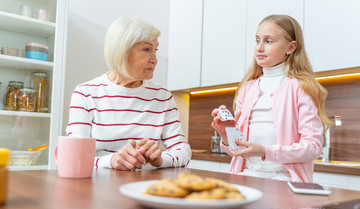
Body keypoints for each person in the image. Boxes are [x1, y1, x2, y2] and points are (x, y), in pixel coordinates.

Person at [211, 14, 332, 182]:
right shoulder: (247, 88)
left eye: (268, 41)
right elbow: (239, 149)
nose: (259, 48)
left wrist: (265, 151)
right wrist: (227, 135)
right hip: (246, 175)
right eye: (257, 40)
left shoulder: (301, 87)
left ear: (290, 47)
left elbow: (313, 147)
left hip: (287, 180)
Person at [66, 17, 191, 170]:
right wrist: (111, 161)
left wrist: (160, 159)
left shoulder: (162, 95)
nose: (155, 59)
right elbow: (74, 156)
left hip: (144, 187)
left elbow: (183, 152)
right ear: (122, 51)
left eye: (155, 50)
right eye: (146, 49)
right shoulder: (86, 93)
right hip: (97, 187)